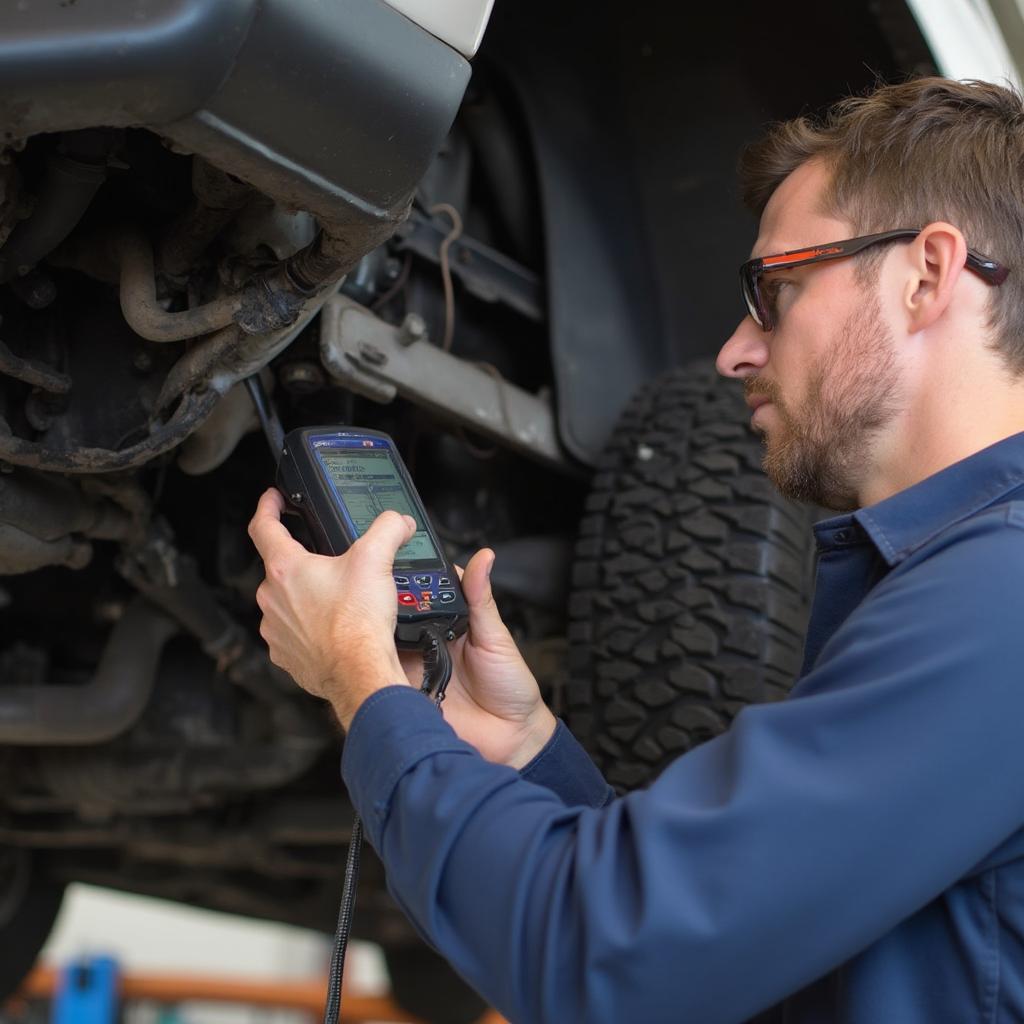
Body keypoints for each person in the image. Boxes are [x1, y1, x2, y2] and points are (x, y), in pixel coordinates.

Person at [247, 77, 1024, 1023]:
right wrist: (527, 752)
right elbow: (749, 967)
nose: (736, 351)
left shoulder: (1000, 600)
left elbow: (603, 958)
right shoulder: (973, 589)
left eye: (776, 290)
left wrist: (361, 682)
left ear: (929, 273)